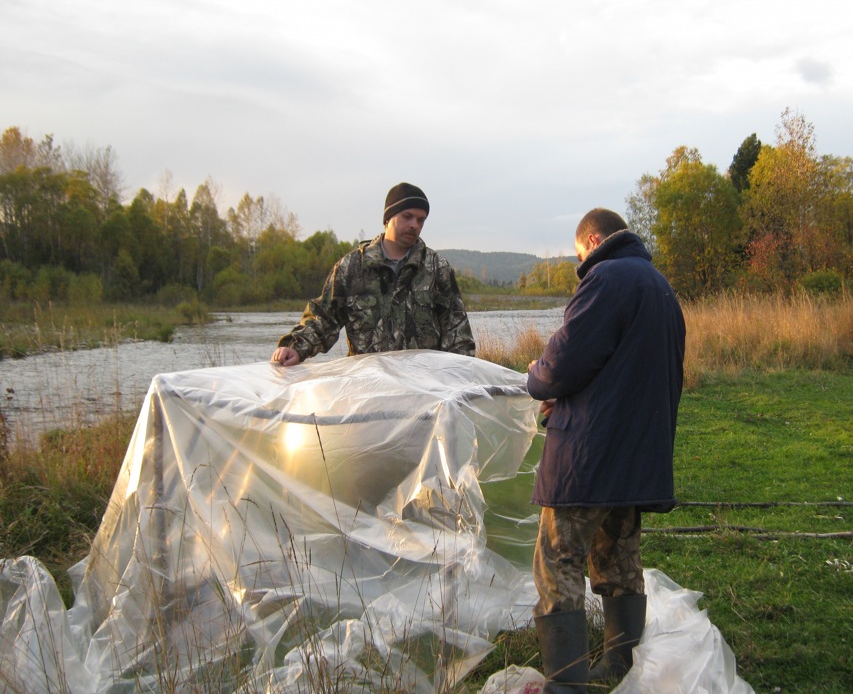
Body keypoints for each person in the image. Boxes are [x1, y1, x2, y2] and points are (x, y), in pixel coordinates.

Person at [525, 208, 686, 692]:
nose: (581, 263)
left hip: (589, 455)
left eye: (579, 255)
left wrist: (537, 374)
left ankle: (566, 683)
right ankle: (620, 665)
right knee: (619, 558)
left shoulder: (605, 279)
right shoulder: (660, 288)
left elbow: (561, 365)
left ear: (592, 240)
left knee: (559, 558)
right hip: (637, 454)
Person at [271, 183, 475, 364]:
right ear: (388, 218)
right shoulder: (351, 268)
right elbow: (324, 317)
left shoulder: (436, 268)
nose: (415, 225)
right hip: (368, 387)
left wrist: (461, 374)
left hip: (425, 387)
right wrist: (295, 348)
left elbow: (456, 330)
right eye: (407, 217)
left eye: (421, 220)